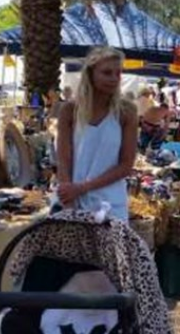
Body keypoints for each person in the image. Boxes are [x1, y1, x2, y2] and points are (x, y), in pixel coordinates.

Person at [56, 47, 138, 221]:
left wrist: (84, 187)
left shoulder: (126, 112)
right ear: (91, 74)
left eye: (118, 73)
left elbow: (126, 165)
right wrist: (68, 197)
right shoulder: (69, 110)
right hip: (73, 201)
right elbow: (64, 158)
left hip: (111, 205)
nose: (114, 79)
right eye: (107, 73)